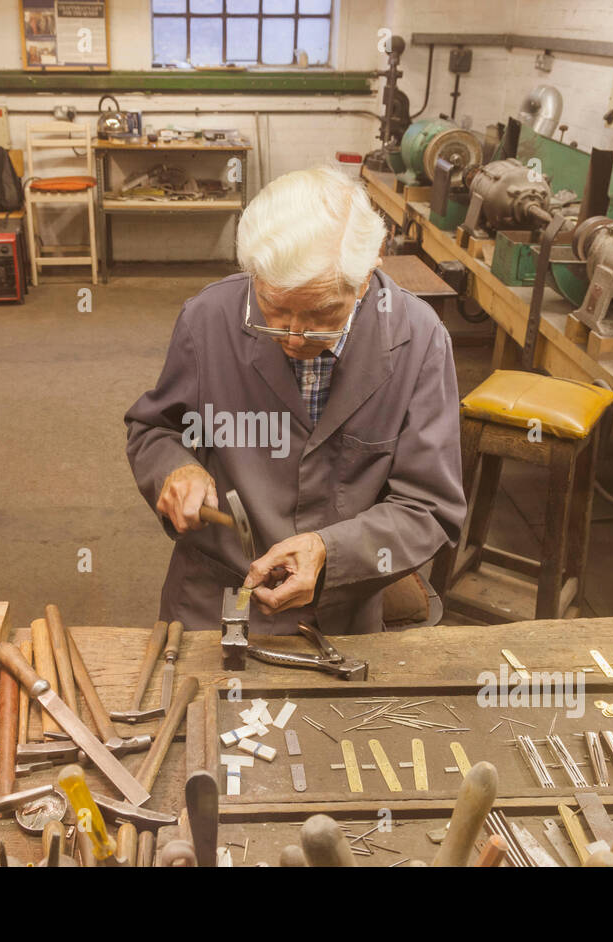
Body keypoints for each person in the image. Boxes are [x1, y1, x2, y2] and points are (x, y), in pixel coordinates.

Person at [125, 165, 465, 634]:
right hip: (216, 601)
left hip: (342, 611)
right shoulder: (208, 319)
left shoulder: (420, 339)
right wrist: (175, 467)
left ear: (366, 275)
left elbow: (429, 508)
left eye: (321, 312)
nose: (294, 335)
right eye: (275, 309)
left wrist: (330, 552)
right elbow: (155, 429)